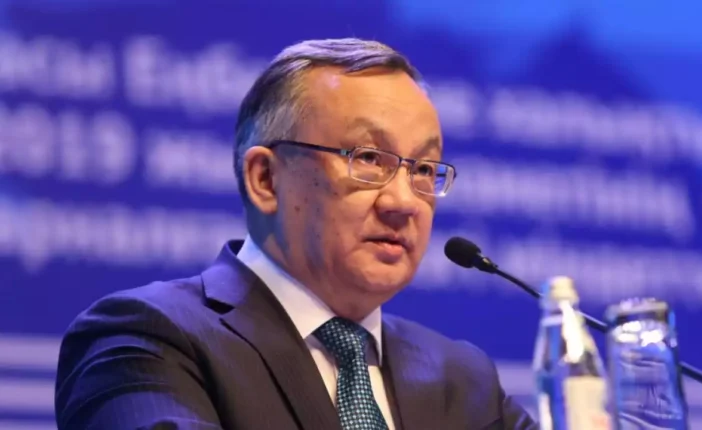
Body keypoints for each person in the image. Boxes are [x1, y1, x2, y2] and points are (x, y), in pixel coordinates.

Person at [54, 38, 538, 430]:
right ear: (266, 179)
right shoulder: (147, 339)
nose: (404, 202)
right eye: (369, 158)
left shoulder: (463, 379)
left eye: (424, 169)